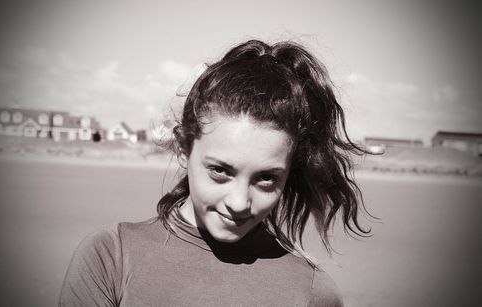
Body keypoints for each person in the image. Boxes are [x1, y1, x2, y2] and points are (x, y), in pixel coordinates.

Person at [59, 39, 371, 306]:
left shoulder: (312, 293)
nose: (238, 202)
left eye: (266, 178)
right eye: (220, 171)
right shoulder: (111, 256)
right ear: (184, 148)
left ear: (289, 174)